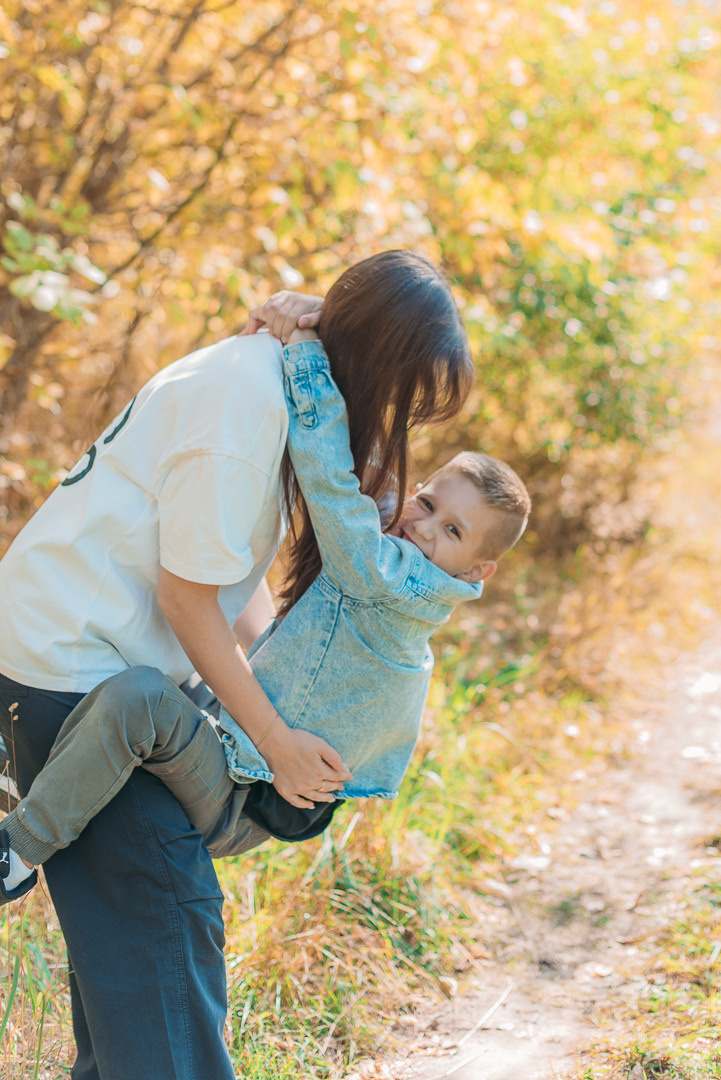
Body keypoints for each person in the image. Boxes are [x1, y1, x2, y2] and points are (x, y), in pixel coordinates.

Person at [0, 250, 473, 1080]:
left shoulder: (273, 379)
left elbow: (221, 576)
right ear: (376, 363)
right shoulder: (246, 412)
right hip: (73, 675)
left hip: (87, 660)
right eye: (404, 399)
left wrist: (267, 682)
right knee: (164, 940)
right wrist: (275, 739)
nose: (398, 424)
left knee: (133, 968)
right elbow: (187, 601)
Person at [1, 326, 531, 908]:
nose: (423, 527)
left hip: (248, 792)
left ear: (477, 570)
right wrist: (330, 321)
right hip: (245, 748)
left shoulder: (392, 579)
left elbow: (334, 482)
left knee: (140, 697)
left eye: (452, 531)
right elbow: (375, 472)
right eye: (426, 503)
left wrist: (306, 353)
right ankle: (24, 761)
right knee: (172, 659)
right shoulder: (399, 555)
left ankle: (18, 852)